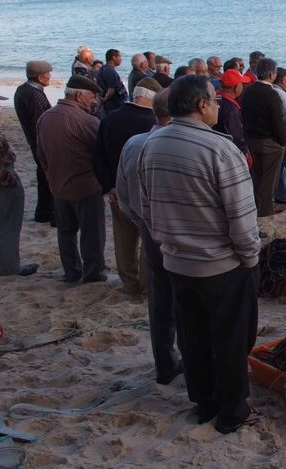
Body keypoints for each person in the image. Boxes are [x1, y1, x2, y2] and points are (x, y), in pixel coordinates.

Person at [138, 75, 261, 434]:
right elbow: (242, 219)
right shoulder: (220, 150)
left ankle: (204, 402)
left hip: (176, 261)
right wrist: (250, 258)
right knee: (231, 340)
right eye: (215, 100)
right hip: (221, 264)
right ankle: (232, 411)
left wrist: (168, 242)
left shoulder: (152, 144)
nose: (219, 105)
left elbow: (146, 206)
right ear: (201, 105)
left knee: (193, 337)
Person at [115, 88, 183, 385]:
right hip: (180, 237)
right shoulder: (178, 146)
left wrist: (142, 222)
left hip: (150, 230)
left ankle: (165, 363)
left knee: (160, 300)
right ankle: (187, 362)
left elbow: (123, 195)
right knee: (188, 301)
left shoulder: (133, 143)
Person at [92, 77, 161, 295]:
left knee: (124, 239)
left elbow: (98, 157)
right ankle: (146, 283)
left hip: (117, 190)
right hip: (146, 190)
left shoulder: (111, 119)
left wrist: (108, 187)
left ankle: (129, 283)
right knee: (148, 238)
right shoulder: (153, 123)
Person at [36, 75, 107, 284]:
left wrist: (52, 177)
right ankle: (93, 273)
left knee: (66, 233)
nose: (94, 101)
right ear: (79, 96)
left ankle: (72, 271)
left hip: (58, 185)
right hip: (85, 186)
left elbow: (41, 155)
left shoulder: (45, 118)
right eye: (92, 97)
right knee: (91, 233)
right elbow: (100, 154)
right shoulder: (87, 121)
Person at [240, 57, 286, 216]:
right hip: (269, 141)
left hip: (252, 139)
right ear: (272, 75)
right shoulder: (271, 94)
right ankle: (266, 209)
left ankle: (256, 204)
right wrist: (282, 142)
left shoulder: (247, 91)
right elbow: (277, 122)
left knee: (257, 175)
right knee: (270, 178)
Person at [13, 60, 55, 223]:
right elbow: (40, 123)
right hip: (41, 142)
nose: (50, 77)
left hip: (35, 141)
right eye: (48, 75)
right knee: (49, 177)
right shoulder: (34, 94)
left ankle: (43, 213)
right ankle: (51, 215)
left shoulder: (23, 90)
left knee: (43, 177)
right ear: (40, 77)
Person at [0, 125, 37, 276]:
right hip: (4, 185)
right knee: (8, 228)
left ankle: (6, 265)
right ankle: (10, 268)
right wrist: (9, 180)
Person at [214, 68, 253, 167]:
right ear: (237, 87)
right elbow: (236, 135)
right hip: (230, 156)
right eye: (242, 84)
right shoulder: (231, 109)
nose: (243, 87)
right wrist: (244, 153)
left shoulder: (216, 101)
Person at [271, 68, 286, 204]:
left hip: (273, 136)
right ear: (282, 80)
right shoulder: (283, 96)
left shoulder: (272, 92)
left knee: (278, 169)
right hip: (285, 137)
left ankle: (280, 195)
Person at [96, 49, 128, 117]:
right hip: (115, 105)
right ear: (114, 57)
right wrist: (105, 99)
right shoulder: (110, 71)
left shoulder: (102, 69)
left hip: (110, 105)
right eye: (119, 56)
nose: (121, 59)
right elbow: (111, 89)